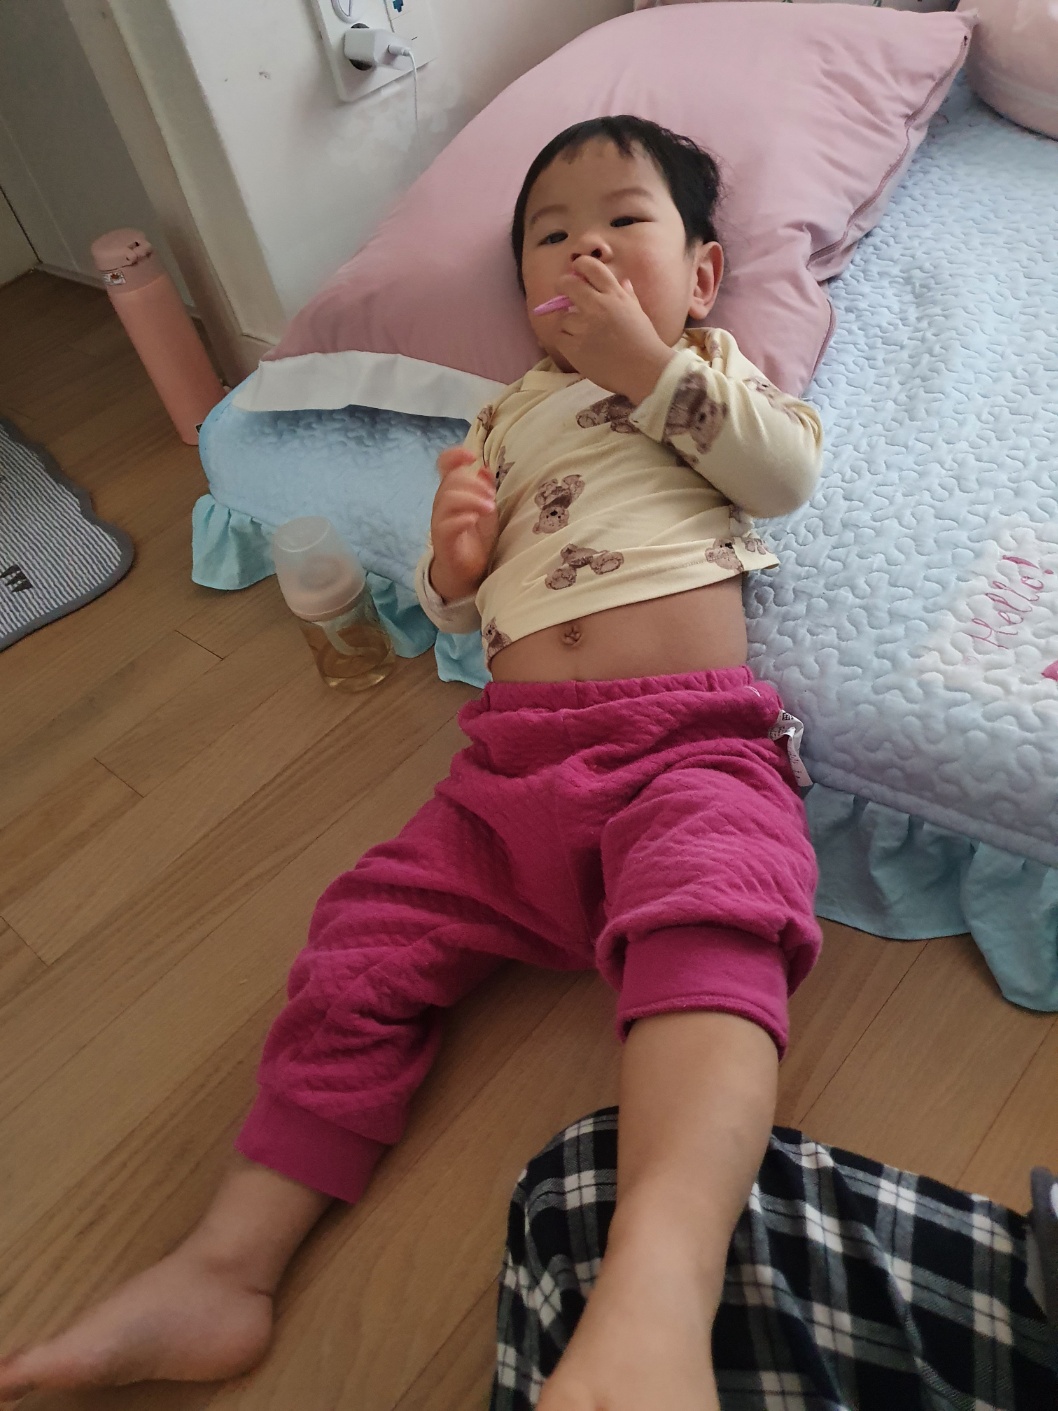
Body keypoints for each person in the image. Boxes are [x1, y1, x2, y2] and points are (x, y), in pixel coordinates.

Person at [0, 116, 825, 1410]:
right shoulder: (502, 418)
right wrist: (453, 565)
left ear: (703, 274)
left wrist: (649, 363)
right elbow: (461, 613)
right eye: (551, 236)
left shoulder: (709, 374)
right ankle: (226, 1265)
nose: (586, 248)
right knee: (362, 942)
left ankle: (660, 1279)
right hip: (506, 775)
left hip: (683, 746)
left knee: (716, 902)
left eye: (624, 221)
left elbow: (780, 477)